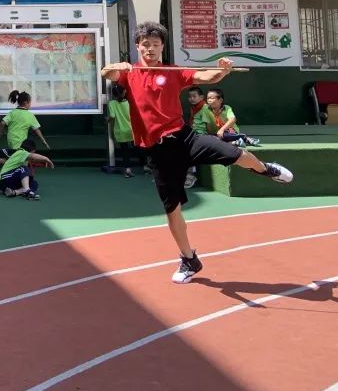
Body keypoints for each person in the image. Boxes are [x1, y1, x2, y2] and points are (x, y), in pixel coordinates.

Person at [101, 21, 294, 284]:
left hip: (184, 138)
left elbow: (206, 77)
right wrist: (117, 66)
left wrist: (222, 70)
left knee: (235, 153)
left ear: (162, 47)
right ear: (138, 46)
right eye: (145, 44)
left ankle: (265, 169)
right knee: (172, 211)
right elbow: (107, 73)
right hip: (158, 152)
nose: (150, 49)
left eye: (156, 44)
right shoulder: (129, 73)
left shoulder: (173, 72)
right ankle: (189, 259)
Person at [0, 90, 50, 173]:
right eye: (30, 102)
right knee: (20, 162)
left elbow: (2, 123)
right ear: (25, 102)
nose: (30, 104)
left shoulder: (12, 112)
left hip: (11, 140)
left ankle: (0, 162)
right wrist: (43, 141)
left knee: (20, 160)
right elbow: (36, 129)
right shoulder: (30, 115)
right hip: (20, 141)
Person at [107, 84, 137, 178]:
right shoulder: (129, 103)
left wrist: (107, 120)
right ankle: (146, 165)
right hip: (131, 130)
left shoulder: (111, 103)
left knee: (125, 151)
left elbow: (112, 116)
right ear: (124, 93)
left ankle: (127, 169)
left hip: (120, 131)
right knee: (138, 148)